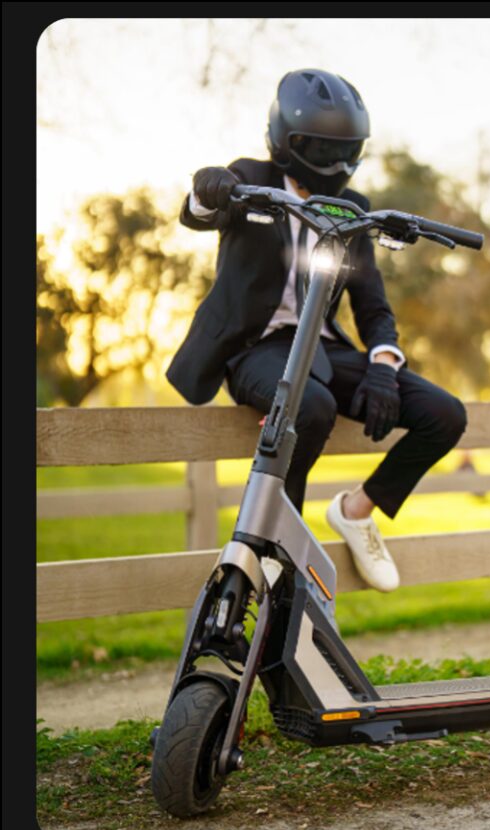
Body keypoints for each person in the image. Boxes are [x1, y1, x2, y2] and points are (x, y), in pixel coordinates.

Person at [164, 68, 467, 592]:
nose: (337, 165)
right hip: (254, 348)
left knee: (445, 414)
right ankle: (277, 549)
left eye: (348, 152)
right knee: (311, 406)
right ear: (287, 142)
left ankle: (355, 510)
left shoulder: (356, 211)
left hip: (320, 349)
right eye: (324, 150)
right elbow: (199, 215)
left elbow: (372, 305)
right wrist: (206, 192)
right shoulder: (249, 177)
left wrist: (382, 364)